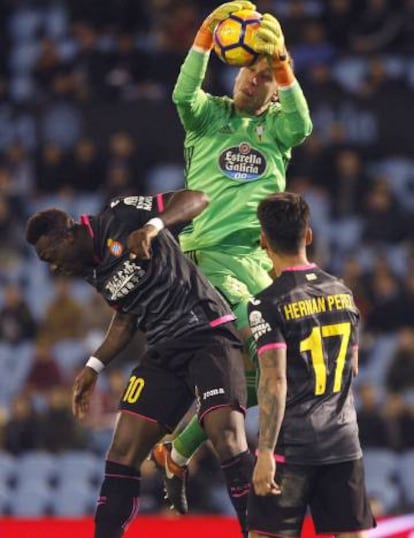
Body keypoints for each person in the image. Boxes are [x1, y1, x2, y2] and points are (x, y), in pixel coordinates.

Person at [151, 0, 312, 514]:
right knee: (264, 341)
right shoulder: (208, 117)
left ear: (272, 88)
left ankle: (176, 452)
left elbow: (303, 120)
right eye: (249, 70)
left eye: (264, 77)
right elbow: (181, 92)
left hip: (259, 265)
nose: (251, 81)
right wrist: (202, 38)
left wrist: (283, 64)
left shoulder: (279, 132)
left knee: (251, 383)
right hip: (206, 259)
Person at [25, 190, 253, 538]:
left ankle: (261, 532)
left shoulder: (121, 213)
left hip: (207, 335)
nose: (54, 267)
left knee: (226, 435)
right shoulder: (92, 269)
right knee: (122, 450)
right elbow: (126, 317)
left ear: (68, 235)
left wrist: (153, 227)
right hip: (163, 350)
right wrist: (93, 366)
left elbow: (198, 198)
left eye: (50, 256)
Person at [247, 192, 375, 538]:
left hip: (293, 448)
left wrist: (265, 452)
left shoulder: (267, 303)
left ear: (263, 240)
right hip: (343, 443)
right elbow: (353, 368)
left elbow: (274, 382)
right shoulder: (344, 292)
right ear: (308, 235)